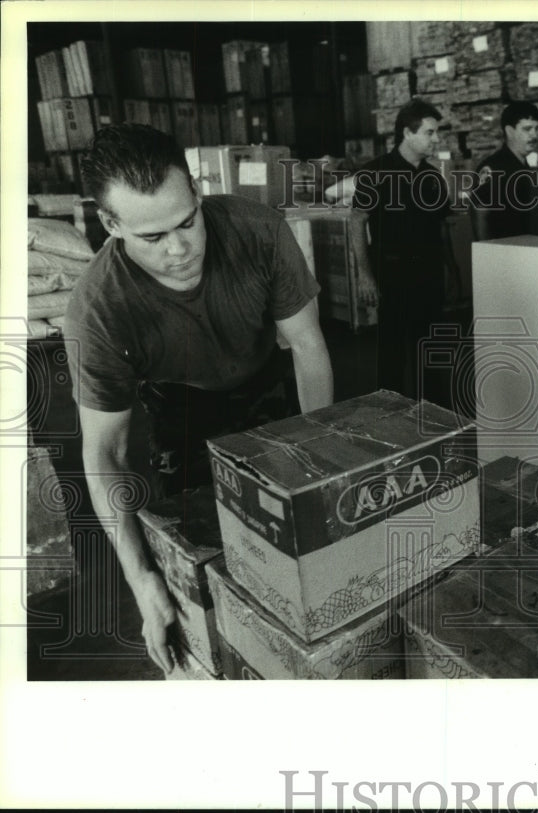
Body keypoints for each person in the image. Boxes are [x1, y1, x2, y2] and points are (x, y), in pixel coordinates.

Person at [64, 124, 334, 674]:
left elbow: (307, 346)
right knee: (205, 561)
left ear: (197, 190)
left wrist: (325, 469)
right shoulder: (98, 308)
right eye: (153, 237)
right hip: (182, 408)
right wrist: (142, 580)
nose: (180, 249)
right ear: (111, 224)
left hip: (269, 385)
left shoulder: (258, 230)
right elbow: (104, 455)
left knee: (308, 543)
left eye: (187, 222)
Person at [349, 98, 458, 404]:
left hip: (430, 275)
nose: (436, 139)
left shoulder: (433, 177)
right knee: (393, 357)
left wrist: (451, 271)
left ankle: (434, 416)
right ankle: (391, 419)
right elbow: (357, 222)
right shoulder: (375, 172)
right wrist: (365, 275)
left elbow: (442, 229)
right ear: (407, 134)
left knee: (432, 354)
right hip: (392, 276)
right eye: (430, 132)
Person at [470, 101, 538, 241]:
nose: (534, 135)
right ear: (509, 131)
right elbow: (480, 216)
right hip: (503, 255)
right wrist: (488, 256)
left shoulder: (527, 167)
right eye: (527, 129)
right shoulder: (493, 168)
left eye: (536, 129)